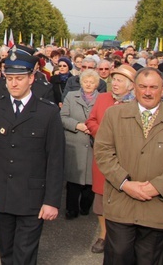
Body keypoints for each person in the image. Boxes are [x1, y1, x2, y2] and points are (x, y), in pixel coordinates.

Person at [0, 46, 65, 265]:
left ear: (31, 78)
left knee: (24, 255)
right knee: (6, 251)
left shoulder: (47, 112)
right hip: (1, 194)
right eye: (10, 78)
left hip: (32, 197)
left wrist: (52, 201)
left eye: (20, 78)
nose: (14, 83)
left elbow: (56, 160)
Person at [95, 67, 163, 264]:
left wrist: (157, 187)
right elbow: (103, 152)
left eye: (153, 87)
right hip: (121, 203)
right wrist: (125, 183)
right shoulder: (114, 115)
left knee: (149, 259)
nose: (147, 92)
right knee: (118, 257)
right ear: (134, 87)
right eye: (142, 86)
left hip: (158, 206)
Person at [85, 63, 137, 254]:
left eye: (120, 80)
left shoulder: (137, 104)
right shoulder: (103, 98)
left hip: (126, 161)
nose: (114, 83)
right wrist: (103, 134)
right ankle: (103, 234)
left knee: (123, 201)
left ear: (131, 85)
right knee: (101, 201)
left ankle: (121, 237)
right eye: (113, 79)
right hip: (102, 159)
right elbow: (90, 121)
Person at [60, 69, 99, 220]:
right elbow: (62, 117)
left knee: (90, 181)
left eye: (91, 82)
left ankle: (85, 206)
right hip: (74, 143)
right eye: (85, 81)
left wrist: (94, 128)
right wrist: (77, 125)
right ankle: (71, 209)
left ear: (96, 84)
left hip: (93, 143)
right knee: (73, 181)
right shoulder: (71, 96)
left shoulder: (102, 99)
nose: (88, 84)